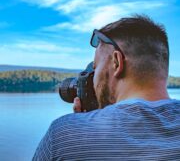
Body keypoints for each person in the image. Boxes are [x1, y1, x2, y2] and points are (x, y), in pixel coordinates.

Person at [33, 15, 180, 160]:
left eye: (96, 67)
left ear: (116, 62)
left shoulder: (64, 136)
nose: (93, 78)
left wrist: (84, 127)